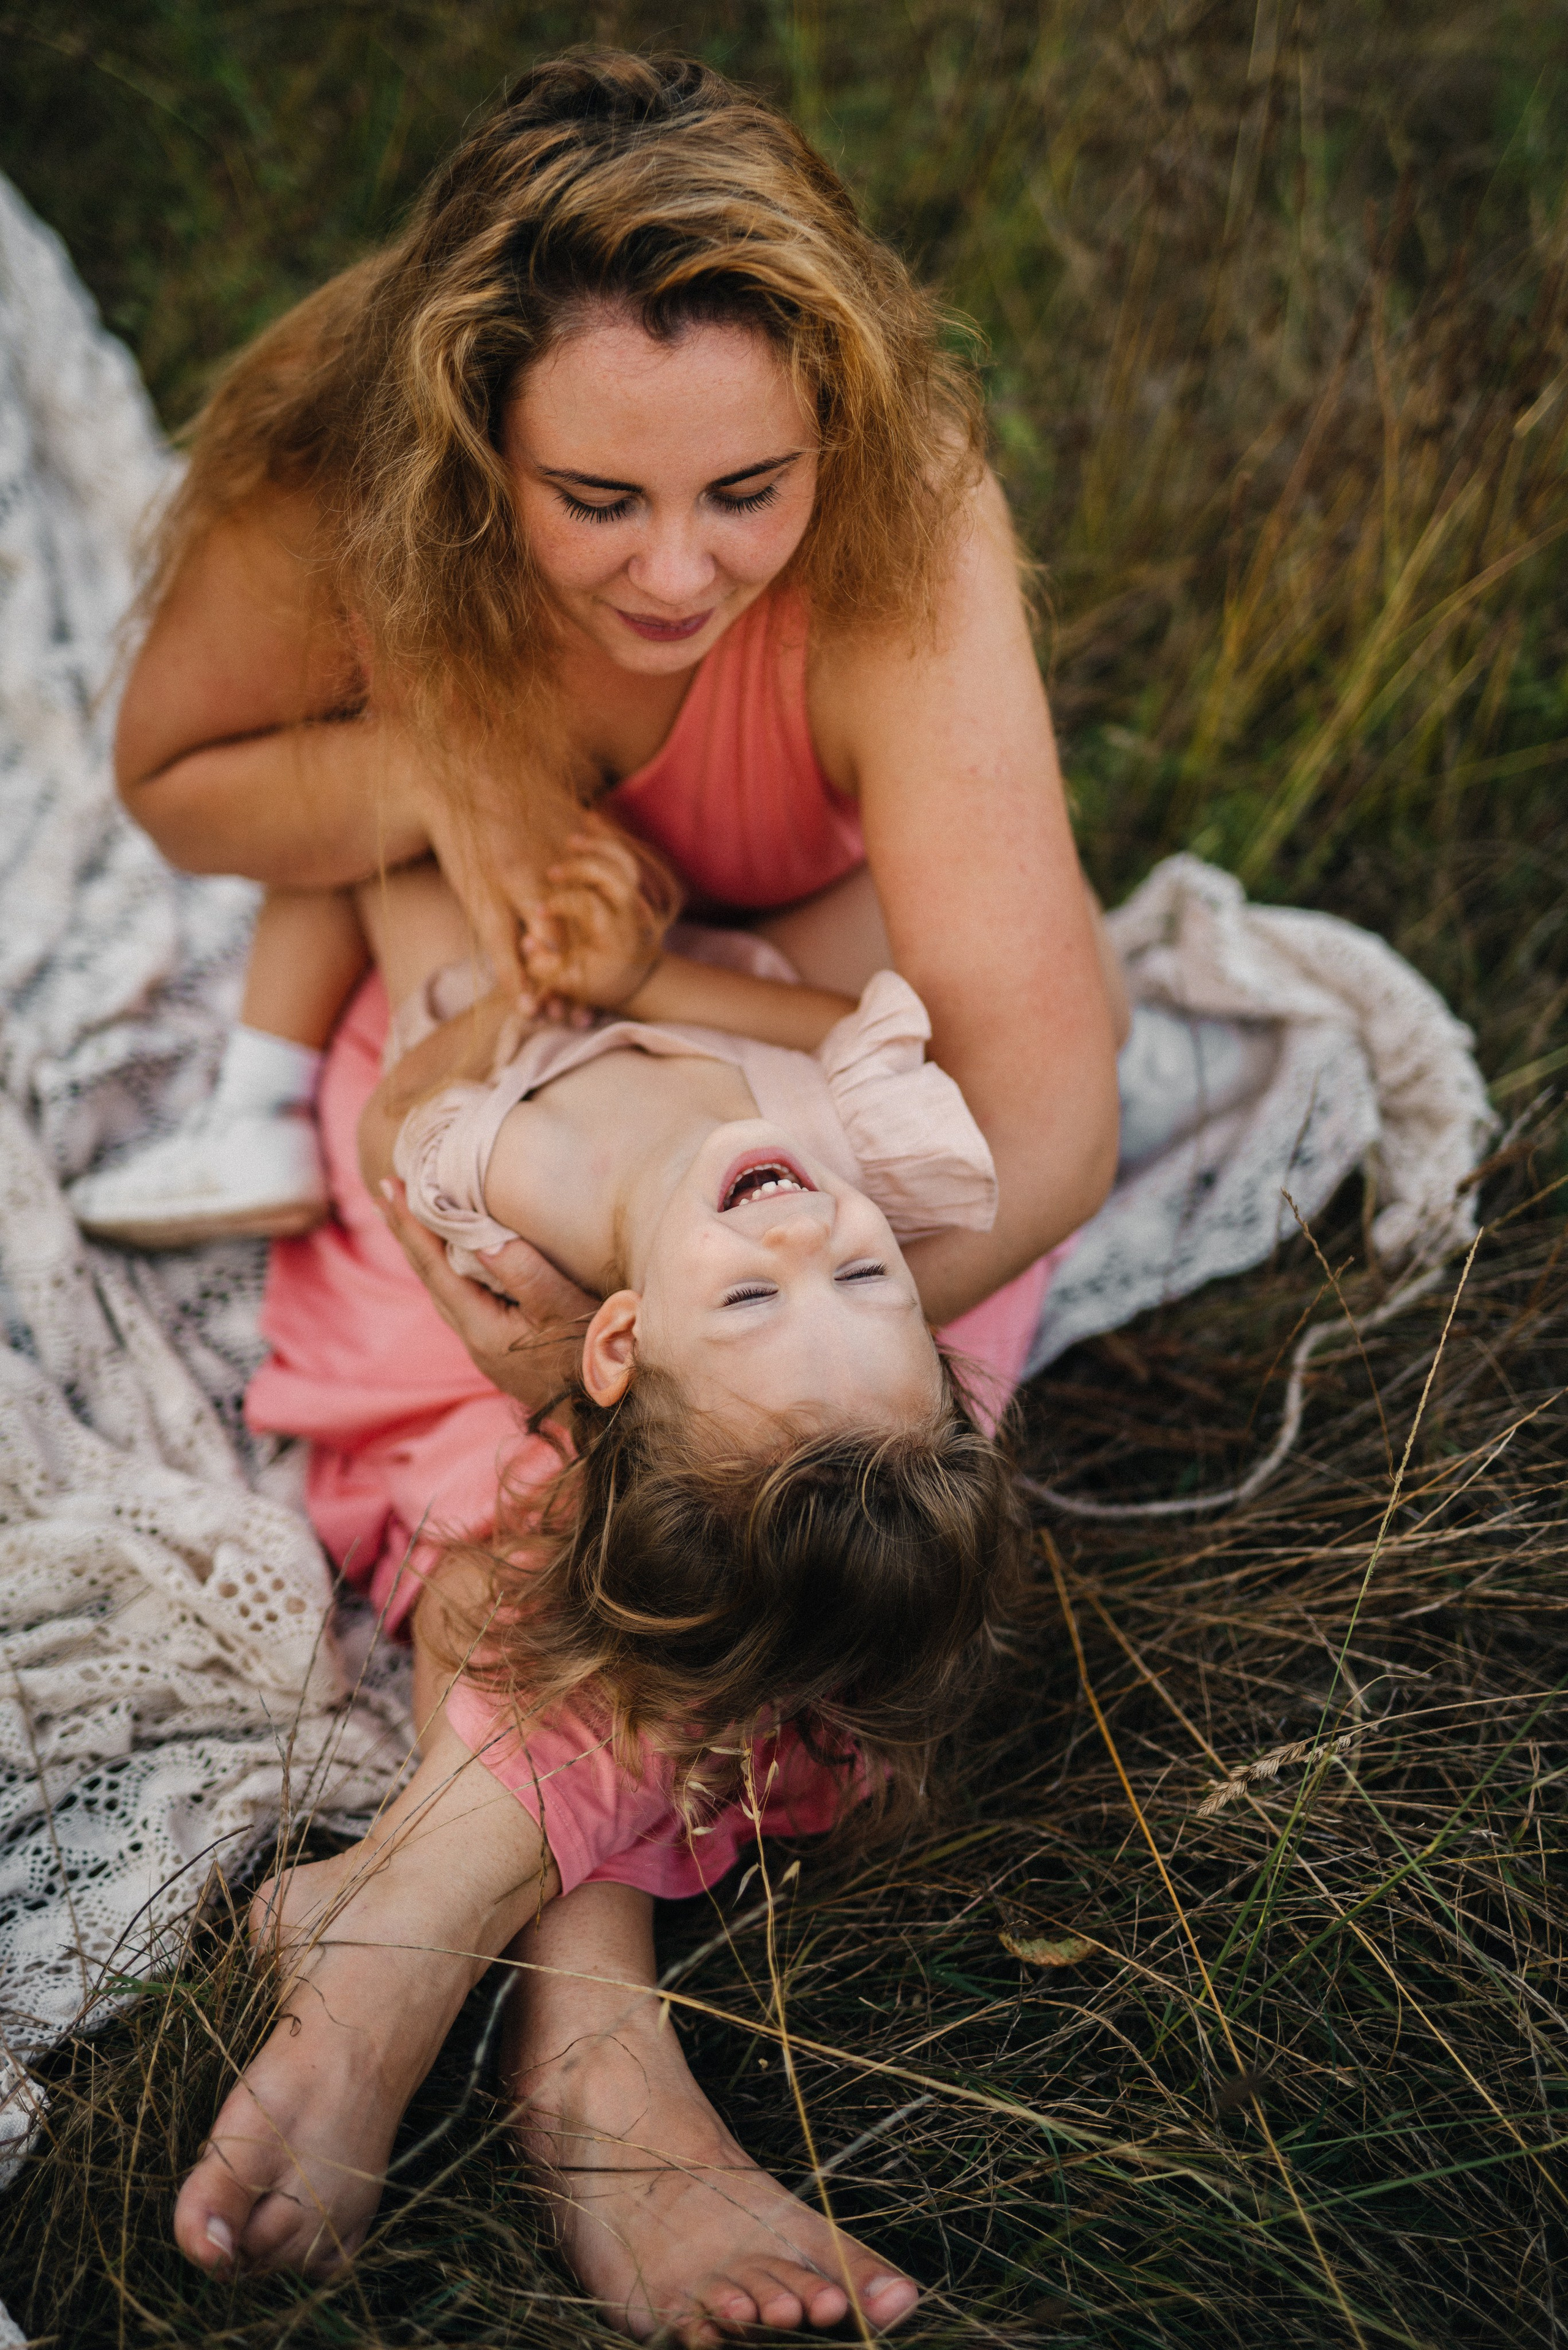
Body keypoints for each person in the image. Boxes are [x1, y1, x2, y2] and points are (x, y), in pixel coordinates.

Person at [107, 48, 1125, 2337]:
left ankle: (406, 1931)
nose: (682, 573)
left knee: (780, 1493)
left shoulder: (898, 516)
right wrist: (438, 759)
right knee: (555, 1496)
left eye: (748, 491)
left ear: (832, 428)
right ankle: (604, 2062)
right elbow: (174, 778)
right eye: (594, 503)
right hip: (506, 1073)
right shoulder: (346, 492)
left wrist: (754, 1310)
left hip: (814, 1124)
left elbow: (1046, 1117)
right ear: (471, 445)